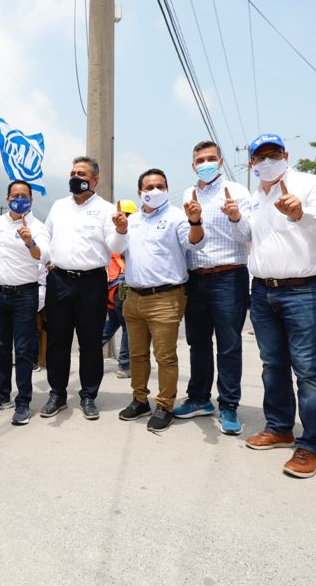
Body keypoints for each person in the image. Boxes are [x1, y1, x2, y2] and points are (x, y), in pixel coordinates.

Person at [228, 133, 316, 479]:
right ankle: (279, 427)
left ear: (286, 154)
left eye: (272, 154)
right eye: (259, 157)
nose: (266, 161)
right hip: (263, 291)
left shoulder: (309, 184)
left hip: (304, 290)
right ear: (251, 163)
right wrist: (235, 218)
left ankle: (311, 445)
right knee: (272, 365)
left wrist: (301, 213)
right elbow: (249, 237)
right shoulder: (255, 197)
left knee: (308, 370)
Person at [117, 169, 203, 432]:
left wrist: (196, 223)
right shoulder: (132, 221)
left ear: (167, 188)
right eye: (149, 187)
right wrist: (119, 231)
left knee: (165, 356)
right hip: (133, 297)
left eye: (159, 186)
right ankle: (139, 399)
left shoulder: (178, 216)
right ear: (139, 191)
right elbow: (118, 249)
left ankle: (164, 405)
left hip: (165, 297)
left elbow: (193, 244)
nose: (154, 191)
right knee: (137, 354)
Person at [175, 140, 252, 436]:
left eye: (210, 158)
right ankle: (199, 398)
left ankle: (229, 404)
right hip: (196, 276)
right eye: (199, 159)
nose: (205, 163)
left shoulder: (237, 192)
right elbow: (187, 237)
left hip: (229, 276)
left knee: (229, 344)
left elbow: (247, 235)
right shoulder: (188, 194)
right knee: (198, 341)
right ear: (193, 165)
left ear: (220, 162)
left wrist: (235, 215)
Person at [42, 156, 127, 419]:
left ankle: (89, 395)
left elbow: (116, 247)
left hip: (92, 282)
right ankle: (57, 394)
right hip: (60, 280)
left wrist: (122, 230)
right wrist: (46, 257)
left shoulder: (105, 208)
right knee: (58, 339)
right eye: (73, 172)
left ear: (94, 180)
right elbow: (46, 235)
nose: (76, 177)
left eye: (82, 173)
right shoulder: (58, 206)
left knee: (90, 341)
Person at [0, 180, 51, 425]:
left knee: (22, 351)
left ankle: (23, 402)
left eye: (24, 196)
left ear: (31, 199)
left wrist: (30, 242)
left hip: (25, 296)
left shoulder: (37, 226)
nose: (20, 199)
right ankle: (2, 395)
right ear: (6, 198)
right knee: (1, 348)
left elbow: (44, 255)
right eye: (15, 195)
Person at [101, 200, 135, 379]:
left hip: (111, 289)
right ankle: (124, 365)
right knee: (128, 327)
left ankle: (89, 350)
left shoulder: (112, 236)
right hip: (122, 289)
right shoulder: (126, 236)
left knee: (112, 324)